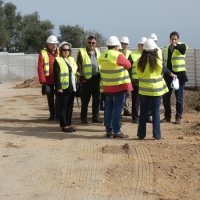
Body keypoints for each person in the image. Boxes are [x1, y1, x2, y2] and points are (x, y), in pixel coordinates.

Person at [98, 36, 132, 138]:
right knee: (117, 110)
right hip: (118, 87)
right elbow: (128, 65)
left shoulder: (102, 55)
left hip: (107, 87)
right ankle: (116, 131)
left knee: (108, 109)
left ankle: (109, 130)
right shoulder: (118, 55)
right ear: (117, 46)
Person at [136, 39, 168, 140]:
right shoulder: (158, 61)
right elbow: (160, 73)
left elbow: (138, 74)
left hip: (144, 90)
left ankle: (141, 134)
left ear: (144, 50)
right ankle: (157, 135)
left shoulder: (139, 62)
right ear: (154, 50)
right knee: (156, 112)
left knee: (143, 113)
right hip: (156, 91)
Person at [162, 31, 188, 124]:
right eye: (172, 39)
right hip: (168, 75)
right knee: (165, 97)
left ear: (178, 39)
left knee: (179, 97)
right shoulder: (166, 48)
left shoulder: (182, 46)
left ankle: (178, 117)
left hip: (179, 75)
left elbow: (183, 50)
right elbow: (164, 61)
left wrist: (176, 45)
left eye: (175, 39)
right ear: (169, 39)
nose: (173, 41)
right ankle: (167, 116)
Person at [77, 35, 102, 124]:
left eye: (93, 43)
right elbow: (79, 66)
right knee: (85, 100)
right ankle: (83, 118)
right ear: (86, 43)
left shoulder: (98, 52)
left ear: (95, 43)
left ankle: (95, 118)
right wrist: (82, 78)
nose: (91, 44)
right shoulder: (82, 51)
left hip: (96, 79)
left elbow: (101, 65)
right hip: (86, 80)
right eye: (89, 42)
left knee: (97, 100)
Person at [53, 42, 77, 132]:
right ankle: (64, 126)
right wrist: (58, 87)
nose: (66, 51)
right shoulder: (58, 60)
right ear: (61, 51)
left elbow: (74, 72)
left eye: (68, 50)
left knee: (70, 107)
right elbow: (56, 75)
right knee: (63, 107)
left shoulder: (71, 59)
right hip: (63, 87)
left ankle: (69, 124)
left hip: (72, 87)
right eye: (64, 50)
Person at [37, 35, 59, 121]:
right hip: (48, 81)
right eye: (52, 44)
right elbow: (40, 68)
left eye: (55, 44)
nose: (54, 46)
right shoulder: (43, 53)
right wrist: (43, 82)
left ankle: (58, 115)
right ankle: (52, 115)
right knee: (50, 98)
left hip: (58, 80)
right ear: (48, 44)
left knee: (59, 98)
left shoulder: (60, 52)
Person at [128, 37, 147, 123]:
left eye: (144, 45)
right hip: (135, 81)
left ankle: (145, 117)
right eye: (141, 45)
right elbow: (128, 68)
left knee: (145, 101)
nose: (142, 47)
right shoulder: (132, 55)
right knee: (136, 100)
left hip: (146, 81)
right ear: (138, 45)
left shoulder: (148, 54)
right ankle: (135, 117)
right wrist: (129, 80)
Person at [120, 36, 132, 116]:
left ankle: (125, 108)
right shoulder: (117, 52)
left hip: (127, 77)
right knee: (121, 94)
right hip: (119, 76)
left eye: (126, 44)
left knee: (127, 94)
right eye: (123, 43)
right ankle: (122, 110)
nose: (124, 45)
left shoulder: (130, 53)